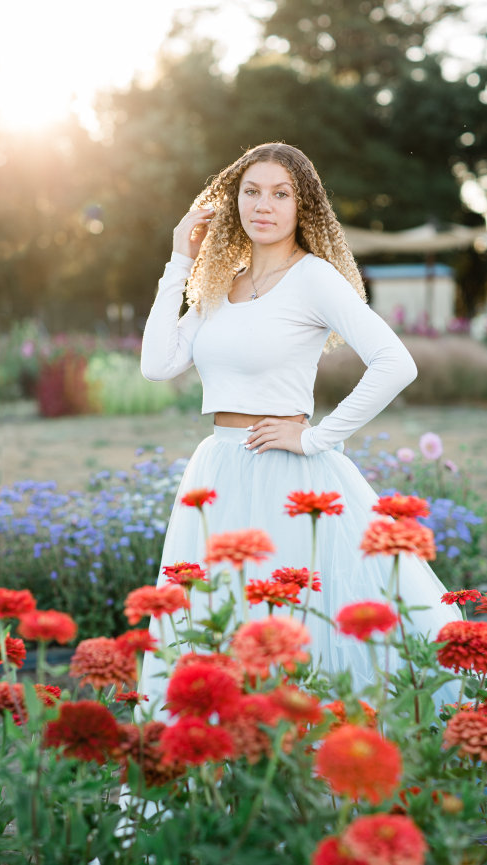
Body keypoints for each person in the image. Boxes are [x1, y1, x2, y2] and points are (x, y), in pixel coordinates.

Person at [138, 142, 459, 708]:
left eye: (280, 194)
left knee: (289, 627)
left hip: (288, 475)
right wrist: (180, 262)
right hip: (217, 473)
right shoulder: (220, 284)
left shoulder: (314, 278)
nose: (264, 205)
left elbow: (396, 363)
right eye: (251, 192)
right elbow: (158, 364)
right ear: (233, 201)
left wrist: (315, 437)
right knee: (219, 624)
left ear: (302, 206)